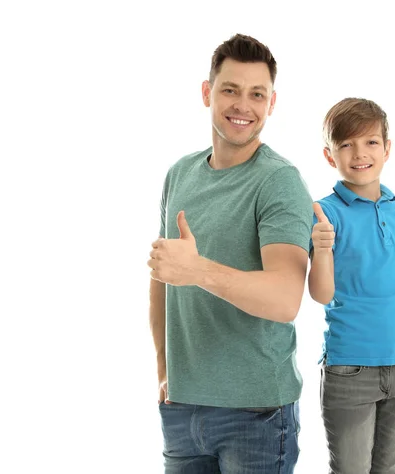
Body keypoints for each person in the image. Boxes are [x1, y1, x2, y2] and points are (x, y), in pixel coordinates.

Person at [147, 34, 312, 473]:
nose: (244, 105)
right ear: (207, 92)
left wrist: (199, 270)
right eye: (230, 90)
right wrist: (166, 370)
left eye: (257, 94)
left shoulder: (278, 181)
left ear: (272, 102)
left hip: (256, 417)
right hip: (182, 408)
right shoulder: (179, 174)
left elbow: (285, 298)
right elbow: (162, 276)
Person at [308, 98, 395, 474]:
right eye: (346, 145)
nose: (359, 154)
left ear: (386, 149)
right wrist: (321, 247)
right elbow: (321, 294)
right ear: (329, 155)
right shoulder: (324, 213)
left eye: (370, 142)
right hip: (350, 371)